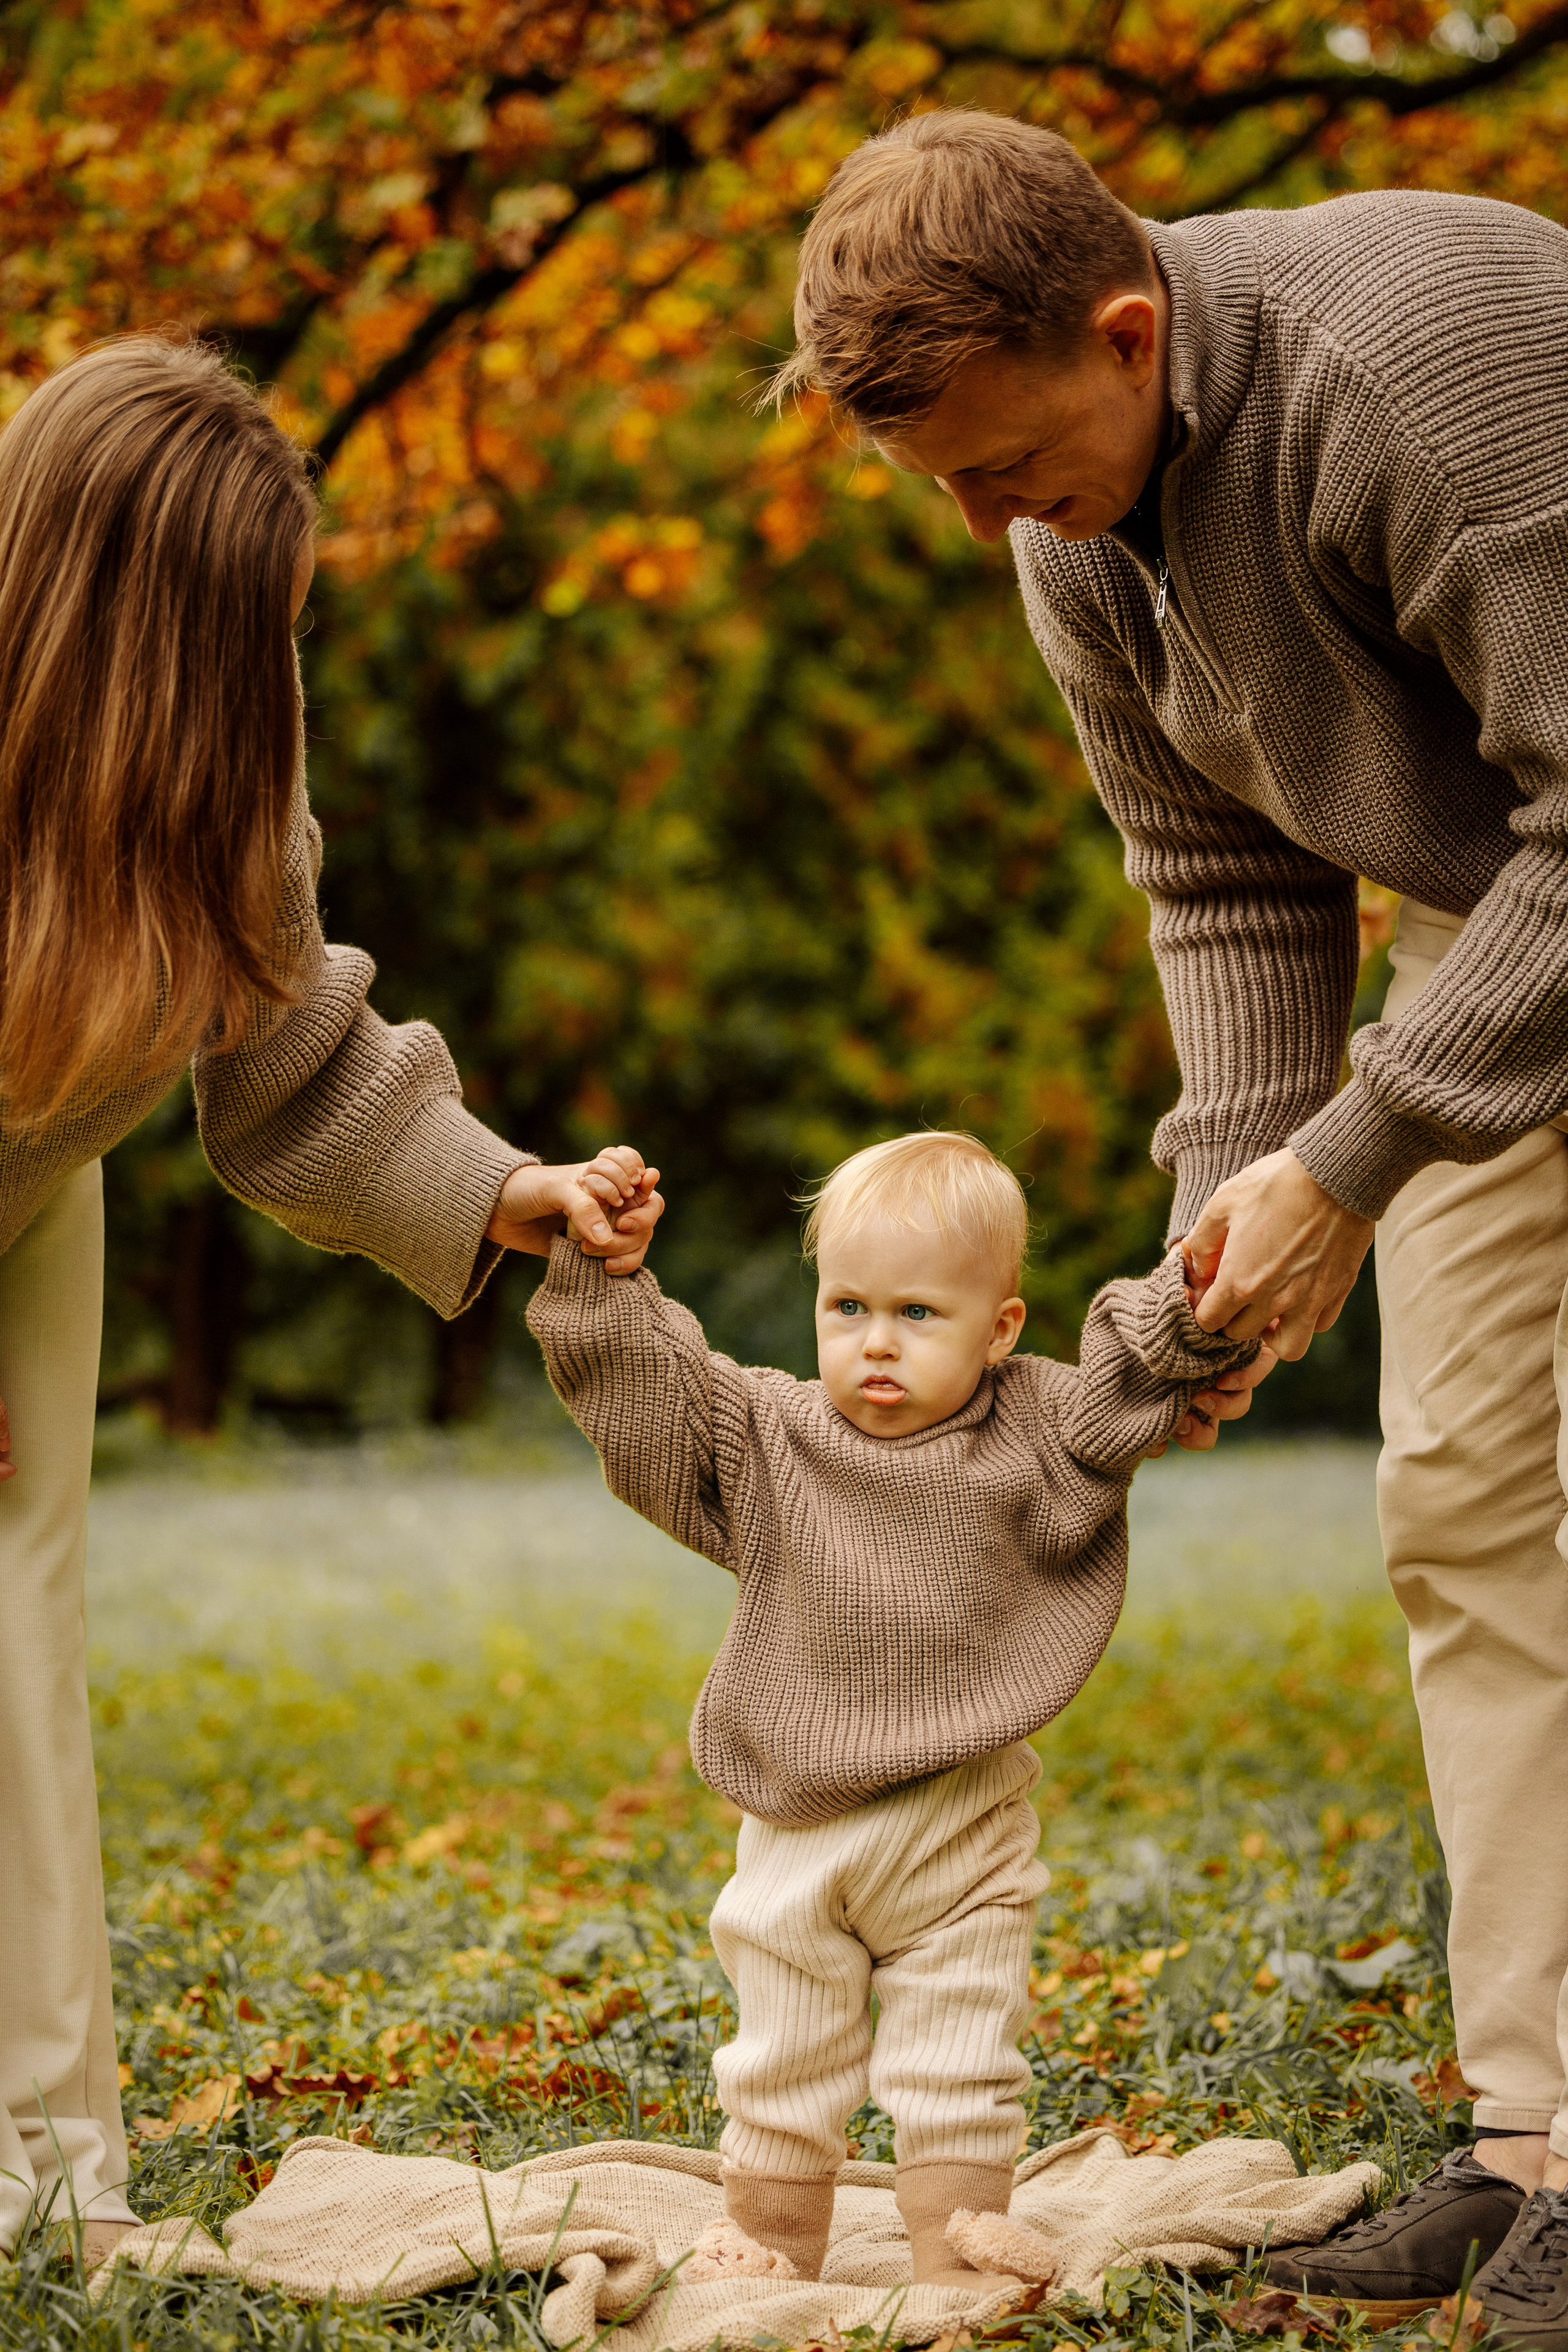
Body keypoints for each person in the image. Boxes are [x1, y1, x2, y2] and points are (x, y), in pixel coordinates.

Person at [769, 108, 1568, 2337]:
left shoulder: (1416, 369)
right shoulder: (1069, 524)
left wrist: (1360, 1151)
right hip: (1504, 947)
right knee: (1466, 1508)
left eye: (1007, 466)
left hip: (1541, 896)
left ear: (1129, 331)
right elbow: (1225, 876)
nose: (987, 524)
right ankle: (1532, 2144)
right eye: (944, 486)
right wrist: (1236, 1216)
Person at [0, 335, 663, 2268]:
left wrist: (505, 1190)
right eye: (248, 630)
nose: (272, 675)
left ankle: (43, 2169)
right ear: (135, 617)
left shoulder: (220, 780)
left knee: (17, 1640)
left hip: (32, 1188)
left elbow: (295, 1058)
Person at [526, 1130, 1260, 2286]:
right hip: (801, 1824)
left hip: (964, 1826)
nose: (875, 1342)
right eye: (848, 1306)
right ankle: (768, 2242)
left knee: (965, 2045)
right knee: (783, 2053)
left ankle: (959, 2249)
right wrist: (601, 1270)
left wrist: (1206, 1294)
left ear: (1001, 1329)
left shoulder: (1041, 1429)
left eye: (920, 1313)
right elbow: (648, 1395)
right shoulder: (768, 1436)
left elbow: (1137, 1367)